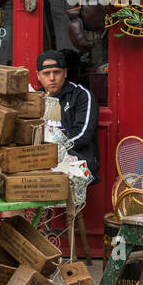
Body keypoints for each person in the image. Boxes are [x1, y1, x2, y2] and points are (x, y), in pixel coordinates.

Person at [35, 50, 98, 189]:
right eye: (46, 73)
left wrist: (55, 152)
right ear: (38, 76)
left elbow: (82, 135)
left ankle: (73, 211)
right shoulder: (35, 99)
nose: (52, 78)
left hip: (74, 158)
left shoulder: (81, 95)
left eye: (56, 72)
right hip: (39, 158)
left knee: (72, 206)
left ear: (65, 73)